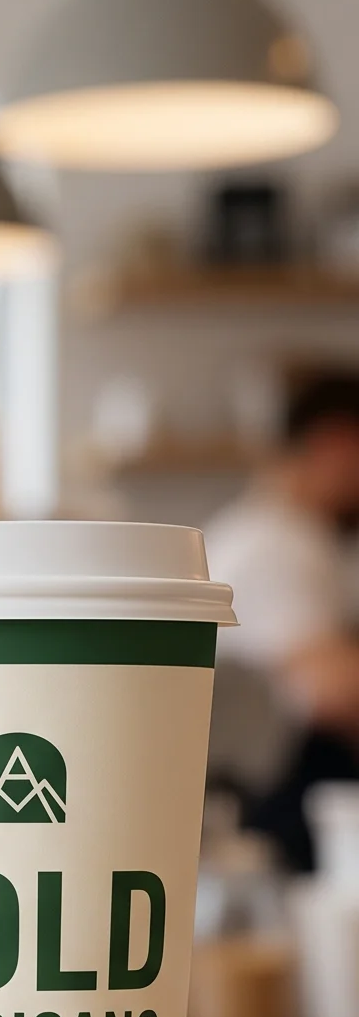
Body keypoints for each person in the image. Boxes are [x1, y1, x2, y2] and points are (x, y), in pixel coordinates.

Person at [204, 371, 359, 869]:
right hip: (265, 812)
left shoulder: (271, 533)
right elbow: (332, 691)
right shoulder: (278, 545)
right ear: (337, 445)